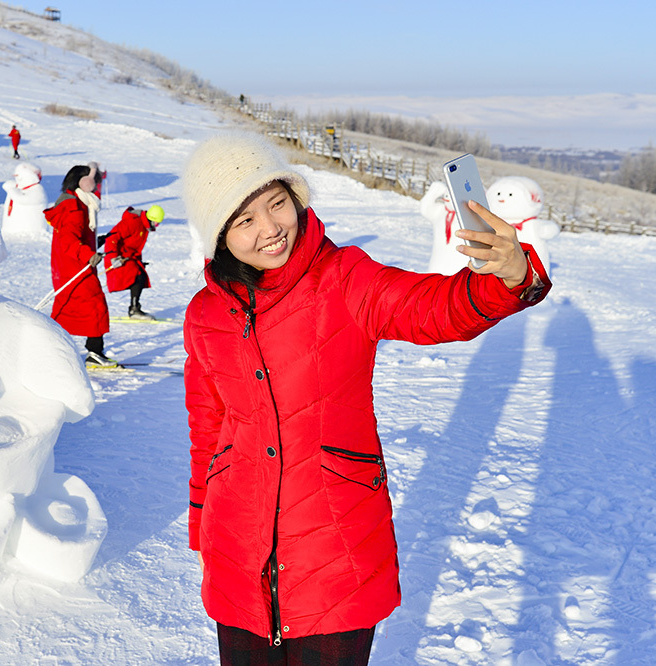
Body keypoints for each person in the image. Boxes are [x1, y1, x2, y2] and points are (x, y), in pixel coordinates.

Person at [181, 133, 550, 665]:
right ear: (219, 235)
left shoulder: (345, 278)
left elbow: (433, 308)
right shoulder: (205, 316)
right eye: (244, 220)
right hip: (237, 550)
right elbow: (207, 432)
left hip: (336, 550)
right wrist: (202, 537)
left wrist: (509, 276)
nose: (270, 229)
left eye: (277, 202)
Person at [44, 164, 114, 366]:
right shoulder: (73, 206)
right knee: (95, 306)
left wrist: (94, 242)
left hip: (69, 266)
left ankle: (53, 347)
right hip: (76, 266)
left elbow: (75, 235)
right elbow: (69, 241)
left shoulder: (76, 202)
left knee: (68, 309)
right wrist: (88, 254)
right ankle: (94, 352)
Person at [102, 204, 165, 320]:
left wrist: (140, 262)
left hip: (128, 258)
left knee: (140, 277)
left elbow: (133, 247)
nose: (156, 226)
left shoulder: (143, 226)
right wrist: (113, 257)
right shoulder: (133, 222)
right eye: (156, 223)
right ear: (151, 219)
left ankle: (134, 308)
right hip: (117, 258)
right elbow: (112, 237)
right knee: (137, 277)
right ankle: (134, 309)